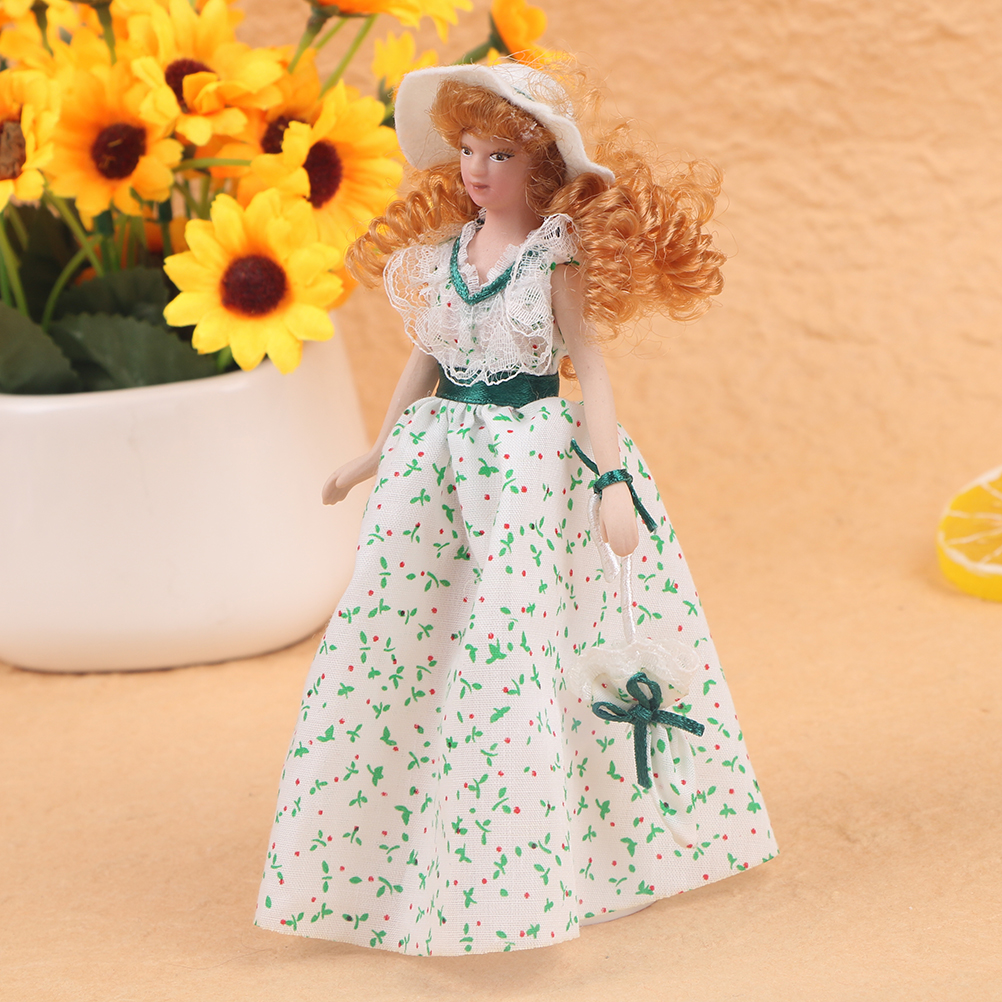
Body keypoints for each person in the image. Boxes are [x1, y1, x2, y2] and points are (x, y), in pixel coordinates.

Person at [255, 60, 775, 957]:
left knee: (531, 644)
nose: (477, 169)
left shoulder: (552, 255)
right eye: (468, 150)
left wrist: (612, 481)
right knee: (410, 638)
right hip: (439, 467)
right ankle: (409, 854)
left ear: (539, 167)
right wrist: (376, 453)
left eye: (499, 154)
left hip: (532, 469)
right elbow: (424, 362)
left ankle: (564, 856)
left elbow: (590, 371)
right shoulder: (444, 257)